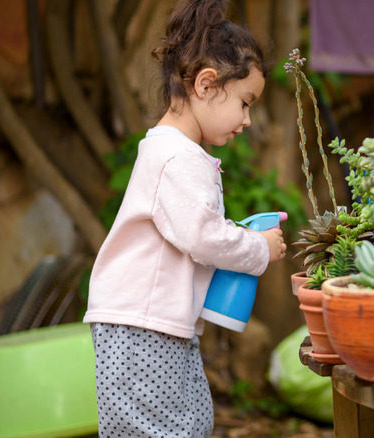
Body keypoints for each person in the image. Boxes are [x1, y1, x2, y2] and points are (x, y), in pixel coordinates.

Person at [82, 0, 286, 436]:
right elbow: (203, 236)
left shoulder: (176, 152)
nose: (248, 120)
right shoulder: (177, 156)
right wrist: (258, 249)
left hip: (154, 327)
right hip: (142, 329)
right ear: (207, 85)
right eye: (246, 103)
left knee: (189, 424)